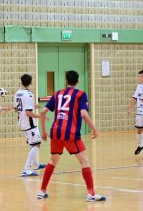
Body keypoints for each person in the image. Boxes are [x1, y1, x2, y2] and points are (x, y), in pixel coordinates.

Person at [37, 70, 106, 202]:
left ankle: (42, 191)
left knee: (53, 161)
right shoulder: (80, 94)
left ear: (66, 81)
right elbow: (84, 114)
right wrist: (94, 129)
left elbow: (43, 111)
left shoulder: (57, 94)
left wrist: (44, 131)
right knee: (85, 161)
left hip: (55, 132)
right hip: (71, 134)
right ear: (78, 81)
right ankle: (91, 194)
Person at [14, 74, 46, 177]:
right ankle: (26, 169)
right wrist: (40, 116)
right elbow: (28, 113)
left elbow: (16, 109)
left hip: (21, 121)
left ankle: (35, 164)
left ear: (21, 82)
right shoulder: (29, 94)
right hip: (29, 123)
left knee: (32, 143)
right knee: (37, 144)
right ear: (31, 82)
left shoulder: (18, 93)